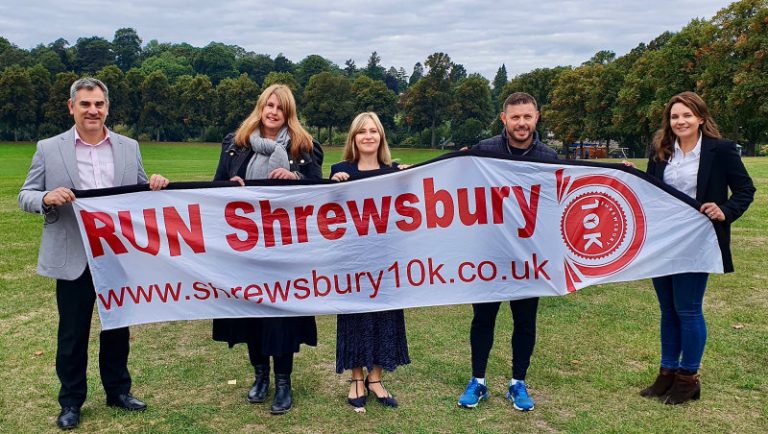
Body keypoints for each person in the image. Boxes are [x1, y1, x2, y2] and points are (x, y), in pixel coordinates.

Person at [18, 77, 169, 430]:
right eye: (85, 104)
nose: (93, 110)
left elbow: (141, 192)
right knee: (72, 333)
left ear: (107, 107)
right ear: (72, 107)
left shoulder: (128, 147)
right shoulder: (49, 148)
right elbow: (25, 193)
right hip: (74, 255)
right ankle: (71, 401)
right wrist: (45, 198)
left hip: (117, 255)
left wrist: (156, 185)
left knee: (117, 327)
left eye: (99, 104)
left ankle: (118, 391)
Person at [211, 84, 323, 415]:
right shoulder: (235, 144)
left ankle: (284, 382)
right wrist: (228, 188)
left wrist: (294, 176)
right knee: (250, 315)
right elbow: (215, 185)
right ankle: (260, 376)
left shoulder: (304, 146)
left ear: (289, 114)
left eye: (281, 108)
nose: (273, 112)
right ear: (260, 107)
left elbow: (318, 191)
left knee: (280, 317)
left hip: (284, 247)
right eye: (268, 105)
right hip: (244, 247)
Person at [641, 91, 754, 405]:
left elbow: (746, 190)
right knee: (667, 310)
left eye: (687, 115)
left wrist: (725, 210)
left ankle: (688, 378)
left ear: (701, 118)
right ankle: (667, 373)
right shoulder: (661, 151)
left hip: (698, 240)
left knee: (687, 309)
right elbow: (652, 191)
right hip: (663, 240)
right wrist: (631, 177)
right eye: (675, 116)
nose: (680, 121)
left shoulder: (722, 150)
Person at [458, 92, 558, 412]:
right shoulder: (484, 150)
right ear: (504, 119)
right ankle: (478, 381)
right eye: (515, 117)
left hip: (529, 257)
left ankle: (518, 382)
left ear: (537, 118)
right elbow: (452, 182)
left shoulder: (549, 157)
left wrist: (624, 174)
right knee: (482, 319)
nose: (521, 123)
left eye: (527, 117)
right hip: (489, 254)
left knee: (525, 322)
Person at [330, 112, 411, 410]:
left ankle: (375, 377)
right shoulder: (340, 171)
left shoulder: (394, 172)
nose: (368, 136)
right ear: (353, 137)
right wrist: (333, 185)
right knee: (355, 316)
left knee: (385, 317)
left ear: (381, 137)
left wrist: (410, 176)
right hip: (352, 260)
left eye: (373, 131)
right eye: (362, 131)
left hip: (387, 259)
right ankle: (356, 378)